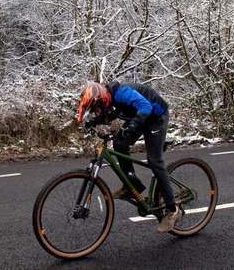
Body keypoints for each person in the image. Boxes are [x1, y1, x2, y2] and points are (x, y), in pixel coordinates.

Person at [76, 80, 181, 233]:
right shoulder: (108, 98)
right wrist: (93, 122)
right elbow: (109, 114)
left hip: (156, 117)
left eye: (97, 108)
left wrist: (132, 127)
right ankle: (132, 185)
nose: (97, 111)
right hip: (142, 116)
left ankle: (172, 210)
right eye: (95, 110)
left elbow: (146, 107)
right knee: (119, 144)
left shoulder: (121, 93)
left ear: (101, 99)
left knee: (154, 161)